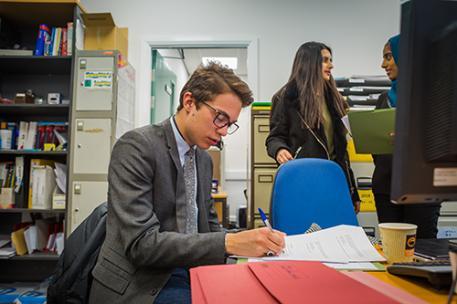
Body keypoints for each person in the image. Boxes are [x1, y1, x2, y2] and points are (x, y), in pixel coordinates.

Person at [89, 62, 286, 304]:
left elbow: (210, 228)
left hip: (187, 269)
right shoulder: (136, 147)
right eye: (220, 118)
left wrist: (253, 240)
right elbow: (142, 244)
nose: (224, 132)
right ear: (190, 102)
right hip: (141, 282)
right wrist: (231, 242)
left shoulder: (202, 159)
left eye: (230, 124)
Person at [266, 42, 360, 212]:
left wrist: (352, 191)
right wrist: (279, 150)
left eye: (330, 60)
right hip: (303, 179)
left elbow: (342, 152)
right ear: (309, 63)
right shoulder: (286, 97)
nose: (331, 65)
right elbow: (274, 138)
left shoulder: (335, 99)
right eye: (325, 60)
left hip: (334, 179)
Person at [372, 35, 441, 238]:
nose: (383, 64)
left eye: (388, 57)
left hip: (421, 188)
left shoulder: (432, 96)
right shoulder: (383, 99)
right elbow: (376, 148)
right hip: (386, 187)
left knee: (421, 249)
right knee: (392, 249)